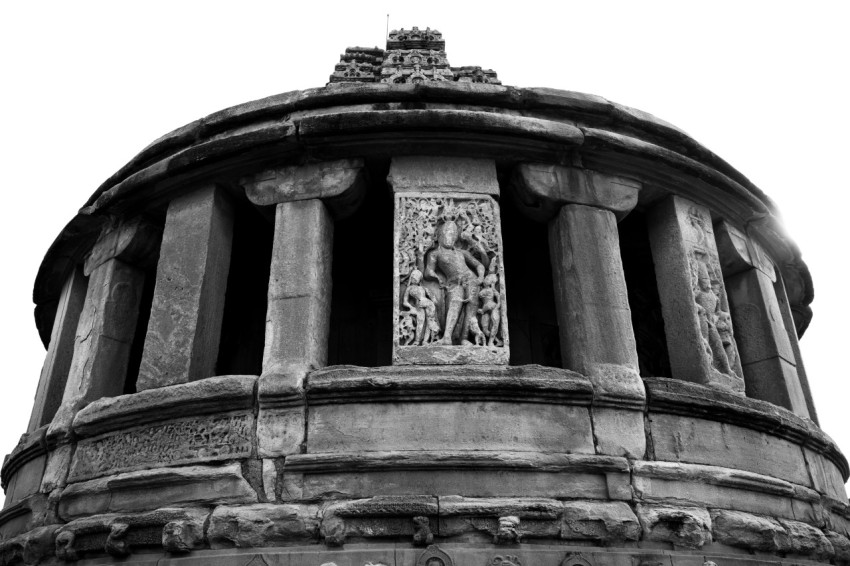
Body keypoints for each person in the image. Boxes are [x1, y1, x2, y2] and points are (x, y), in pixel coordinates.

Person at [424, 220, 485, 345]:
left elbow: (479, 265)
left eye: (453, 234)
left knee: (471, 308)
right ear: (439, 235)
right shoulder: (435, 253)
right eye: (447, 232)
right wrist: (437, 277)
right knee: (455, 302)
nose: (449, 236)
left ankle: (464, 338)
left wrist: (480, 277)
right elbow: (428, 271)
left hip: (471, 279)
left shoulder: (462, 253)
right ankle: (447, 337)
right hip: (454, 282)